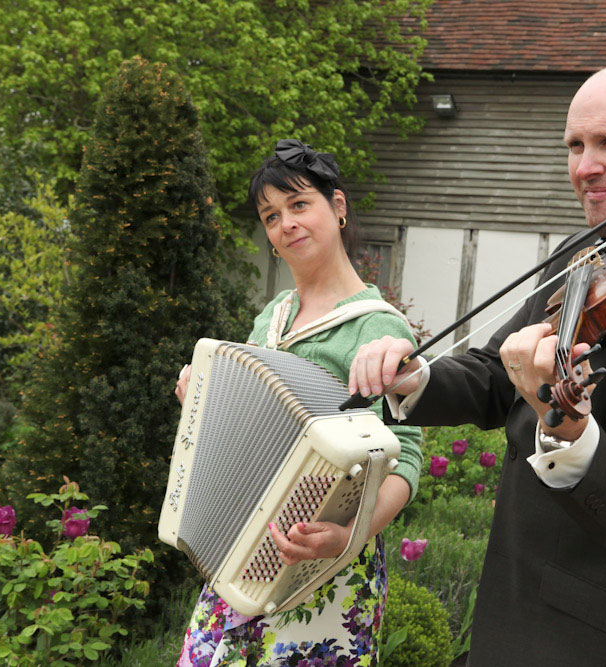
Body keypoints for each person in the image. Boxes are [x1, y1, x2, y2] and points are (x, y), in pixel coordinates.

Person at [349, 61, 606, 665]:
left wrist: (559, 417)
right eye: (575, 145)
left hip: (601, 643)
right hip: (515, 612)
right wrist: (416, 376)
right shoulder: (586, 250)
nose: (584, 166)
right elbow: (498, 372)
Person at [173, 140, 422, 667]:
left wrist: (349, 536)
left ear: (338, 206)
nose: (286, 224)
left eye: (299, 204)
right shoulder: (273, 318)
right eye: (271, 216)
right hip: (245, 551)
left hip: (324, 570)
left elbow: (407, 456)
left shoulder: (377, 328)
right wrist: (201, 402)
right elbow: (244, 432)